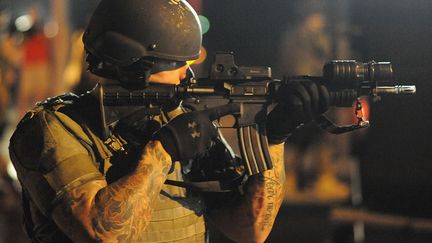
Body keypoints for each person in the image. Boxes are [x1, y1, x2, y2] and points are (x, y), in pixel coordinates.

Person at [9, 0, 329, 242]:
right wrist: (163, 152)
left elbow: (249, 229)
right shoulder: (53, 130)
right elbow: (103, 232)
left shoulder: (178, 116)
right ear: (134, 66)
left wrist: (274, 137)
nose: (185, 74)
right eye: (177, 62)